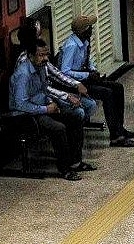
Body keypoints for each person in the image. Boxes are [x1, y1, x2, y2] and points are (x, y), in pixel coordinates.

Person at [12, 40, 89, 180]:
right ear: (30, 56)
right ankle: (64, 169)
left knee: (75, 116)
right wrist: (46, 109)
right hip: (25, 115)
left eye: (46, 55)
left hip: (42, 107)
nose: (45, 58)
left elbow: (44, 90)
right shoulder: (23, 74)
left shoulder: (41, 67)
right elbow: (21, 105)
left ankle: (75, 161)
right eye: (41, 55)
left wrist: (51, 102)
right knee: (58, 128)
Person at [57, 15, 134, 147]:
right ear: (84, 30)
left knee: (118, 88)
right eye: (90, 27)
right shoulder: (72, 46)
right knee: (107, 93)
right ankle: (115, 137)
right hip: (74, 84)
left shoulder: (84, 42)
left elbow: (89, 60)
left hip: (85, 78)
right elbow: (64, 72)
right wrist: (86, 75)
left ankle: (119, 128)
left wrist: (93, 71)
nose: (92, 29)